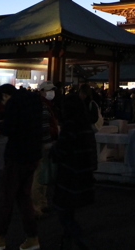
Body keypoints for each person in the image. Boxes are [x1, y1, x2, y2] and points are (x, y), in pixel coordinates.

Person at [0, 84, 42, 250]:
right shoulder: (33, 101)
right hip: (33, 155)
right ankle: (32, 237)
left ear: (5, 96)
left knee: (7, 197)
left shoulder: (15, 104)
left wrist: (1, 127)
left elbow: (12, 128)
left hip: (16, 156)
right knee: (23, 197)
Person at [52, 84, 98, 250]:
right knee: (69, 211)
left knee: (64, 212)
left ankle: (79, 240)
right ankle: (67, 241)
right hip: (84, 174)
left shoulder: (70, 126)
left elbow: (61, 151)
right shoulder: (86, 126)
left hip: (69, 175)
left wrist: (53, 150)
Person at [32, 81, 60, 216]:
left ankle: (42, 203)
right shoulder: (43, 106)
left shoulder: (45, 105)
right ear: (41, 91)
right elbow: (44, 127)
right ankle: (36, 206)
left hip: (43, 143)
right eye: (48, 90)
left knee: (43, 175)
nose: (51, 93)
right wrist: (48, 142)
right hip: (43, 144)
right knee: (39, 176)